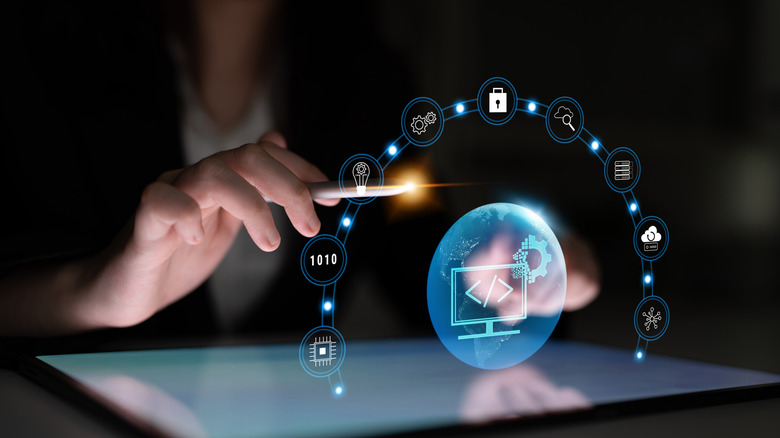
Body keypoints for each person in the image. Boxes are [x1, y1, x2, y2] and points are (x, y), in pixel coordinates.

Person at [0, 1, 600, 343]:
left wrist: (509, 283)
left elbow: (423, 254)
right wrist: (93, 293)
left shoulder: (368, 79)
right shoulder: (33, 52)